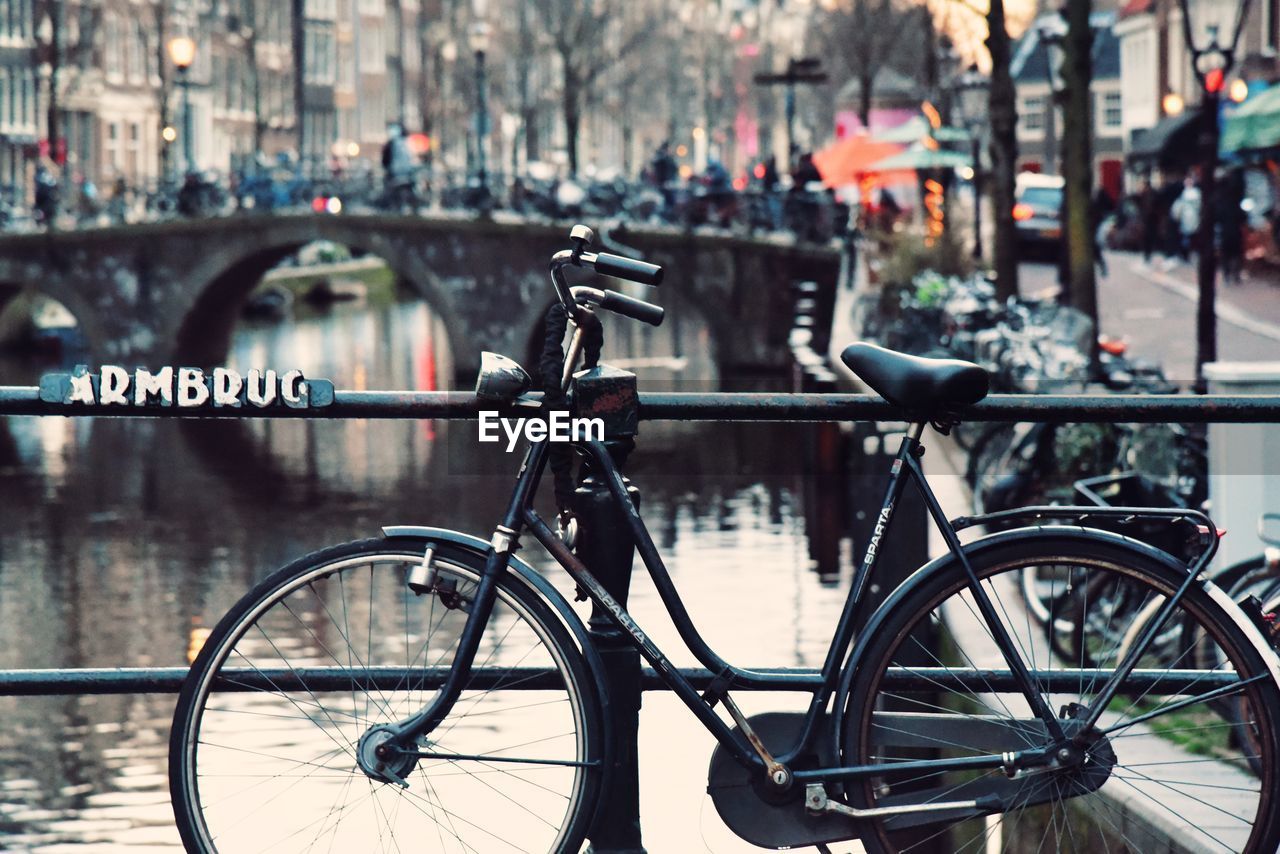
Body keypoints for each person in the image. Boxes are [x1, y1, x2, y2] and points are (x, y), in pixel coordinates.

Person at [1217, 168, 1247, 285]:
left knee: (1228, 254)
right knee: (1235, 253)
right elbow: (1243, 217)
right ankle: (1234, 274)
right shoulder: (1235, 203)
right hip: (1234, 231)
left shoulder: (1222, 201)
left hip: (1226, 231)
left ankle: (1228, 275)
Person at [1170, 175, 1201, 263]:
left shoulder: (1191, 193)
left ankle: (1188, 254)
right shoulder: (1193, 193)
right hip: (1189, 219)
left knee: (1189, 238)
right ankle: (1188, 254)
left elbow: (1177, 208)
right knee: (1189, 238)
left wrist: (1176, 216)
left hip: (1190, 219)